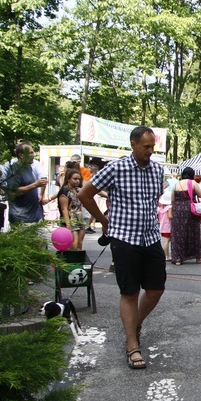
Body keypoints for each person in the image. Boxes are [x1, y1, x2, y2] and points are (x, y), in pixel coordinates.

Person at [78, 126, 167, 370]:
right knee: (129, 292)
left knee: (156, 289)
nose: (150, 151)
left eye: (152, 147)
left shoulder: (157, 170)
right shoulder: (116, 168)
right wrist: (104, 221)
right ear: (133, 144)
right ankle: (132, 345)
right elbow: (85, 194)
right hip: (124, 239)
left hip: (150, 237)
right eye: (146, 147)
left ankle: (135, 323)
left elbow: (152, 201)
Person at [2, 142, 48, 225]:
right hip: (21, 219)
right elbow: (14, 192)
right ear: (21, 155)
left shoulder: (28, 167)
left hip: (33, 217)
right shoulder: (14, 170)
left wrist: (39, 195)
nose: (33, 155)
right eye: (30, 153)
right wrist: (35, 185)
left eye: (33, 152)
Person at [170, 167, 201, 264]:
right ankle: (198, 257)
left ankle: (177, 258)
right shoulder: (192, 183)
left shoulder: (176, 184)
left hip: (178, 211)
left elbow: (172, 200)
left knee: (178, 234)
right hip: (190, 211)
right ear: (192, 174)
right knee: (194, 233)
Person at [58, 169, 85, 250]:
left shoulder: (76, 190)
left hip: (79, 218)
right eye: (75, 179)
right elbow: (64, 209)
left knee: (79, 244)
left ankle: (78, 261)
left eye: (79, 179)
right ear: (68, 179)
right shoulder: (64, 191)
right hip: (70, 219)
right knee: (74, 244)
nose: (77, 181)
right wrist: (68, 224)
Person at [158, 189, 172, 261]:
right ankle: (166, 256)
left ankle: (166, 255)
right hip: (168, 226)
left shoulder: (161, 207)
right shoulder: (169, 207)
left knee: (166, 240)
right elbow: (170, 216)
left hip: (162, 226)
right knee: (167, 241)